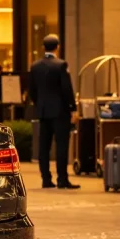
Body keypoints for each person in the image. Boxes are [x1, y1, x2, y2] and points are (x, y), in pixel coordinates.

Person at [28, 34, 79, 189]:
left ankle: (46, 179)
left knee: (44, 146)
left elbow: (32, 90)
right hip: (60, 111)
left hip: (43, 112)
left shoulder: (35, 66)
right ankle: (62, 179)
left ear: (43, 48)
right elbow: (66, 89)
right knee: (61, 145)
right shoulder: (61, 65)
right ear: (58, 47)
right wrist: (73, 108)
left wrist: (39, 104)